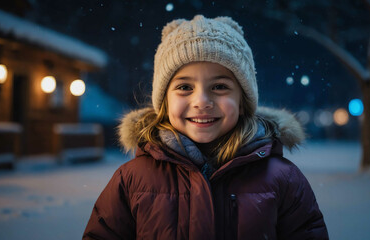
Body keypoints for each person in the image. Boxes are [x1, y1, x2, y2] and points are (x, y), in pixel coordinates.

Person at [83, 15, 329, 240]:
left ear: (242, 103)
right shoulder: (132, 179)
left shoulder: (282, 179)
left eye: (219, 87)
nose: (201, 101)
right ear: (165, 102)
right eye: (184, 87)